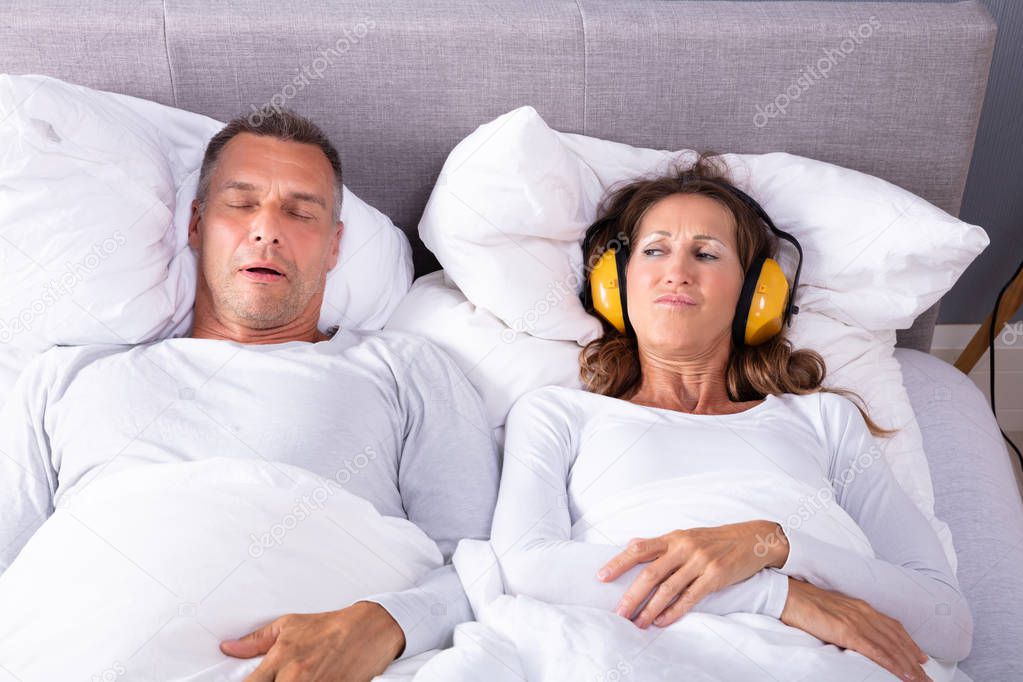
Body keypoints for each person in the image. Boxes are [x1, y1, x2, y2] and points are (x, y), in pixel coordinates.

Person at [0, 110, 499, 681]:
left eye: (300, 211)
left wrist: (384, 623)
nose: (268, 230)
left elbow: (482, 565)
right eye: (240, 204)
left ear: (334, 246)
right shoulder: (65, 378)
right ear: (195, 225)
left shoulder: (403, 369)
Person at [489, 156, 971, 682]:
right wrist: (779, 594)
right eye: (654, 250)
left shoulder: (824, 420)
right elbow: (528, 571)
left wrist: (772, 542)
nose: (677, 270)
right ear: (614, 285)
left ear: (755, 295)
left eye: (706, 253)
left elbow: (947, 623)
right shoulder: (557, 413)